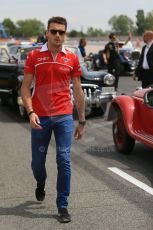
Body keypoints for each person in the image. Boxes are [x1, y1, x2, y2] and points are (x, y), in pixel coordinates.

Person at [21, 16, 86, 223]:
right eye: (54, 31)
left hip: (64, 116)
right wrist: (31, 112)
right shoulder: (34, 56)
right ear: (47, 32)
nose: (58, 35)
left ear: (65, 34)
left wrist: (82, 120)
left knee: (64, 159)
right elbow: (25, 88)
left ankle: (62, 205)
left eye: (62, 32)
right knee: (37, 164)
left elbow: (77, 89)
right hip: (40, 117)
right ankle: (41, 182)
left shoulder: (72, 58)